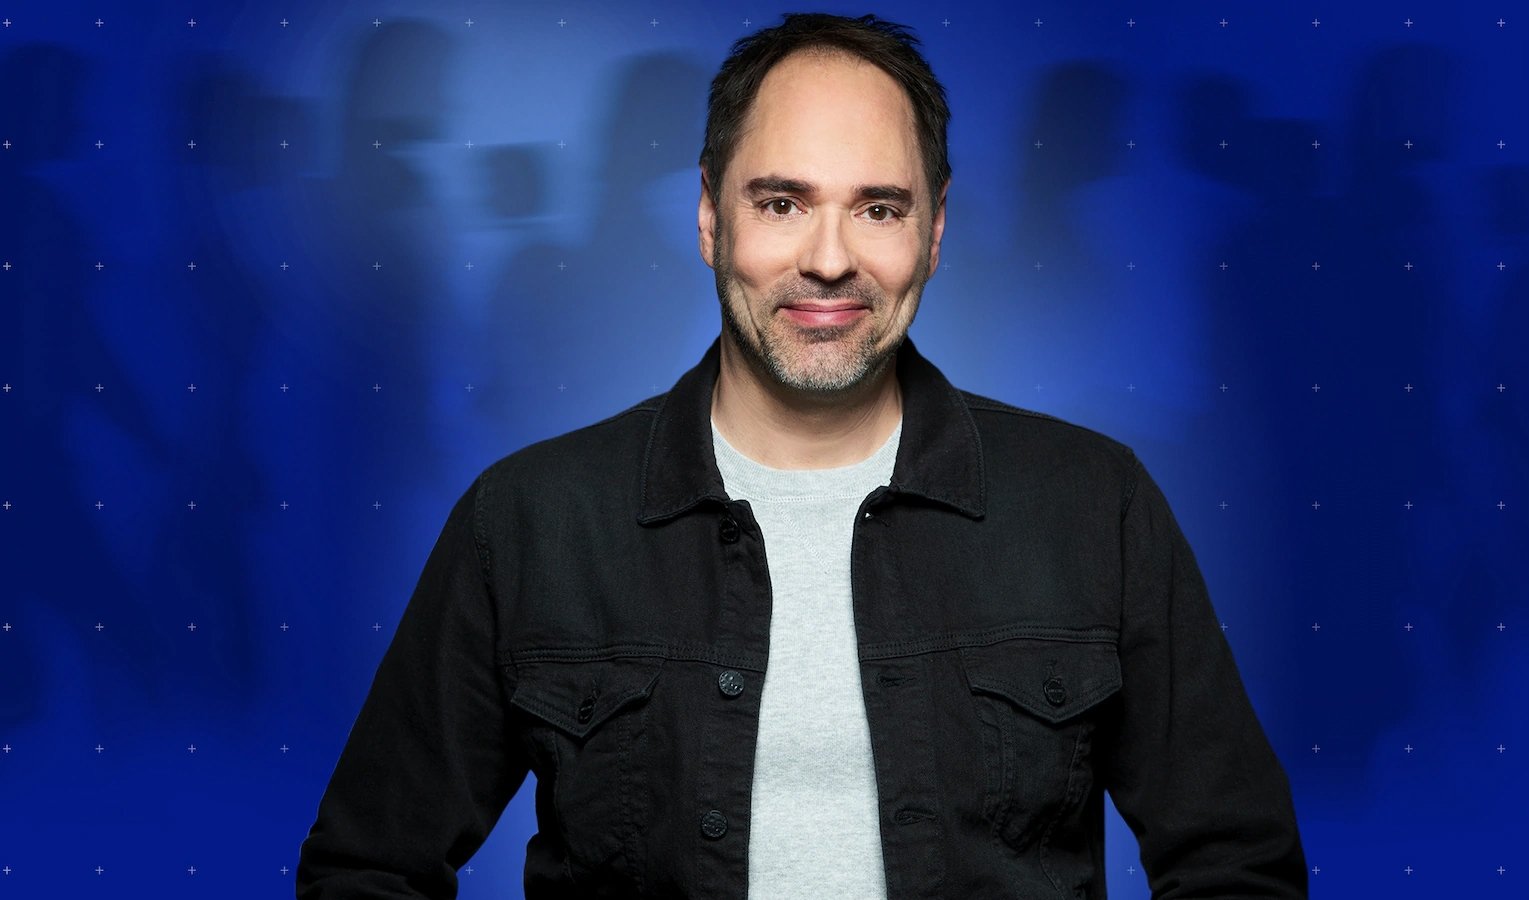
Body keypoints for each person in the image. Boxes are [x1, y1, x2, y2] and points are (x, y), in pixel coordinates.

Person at [296, 13, 1308, 899]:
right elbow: (368, 868)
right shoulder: (530, 519)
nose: (829, 260)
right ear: (709, 215)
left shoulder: (1093, 504)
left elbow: (1237, 864)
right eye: (781, 202)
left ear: (935, 230)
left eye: (879, 208)